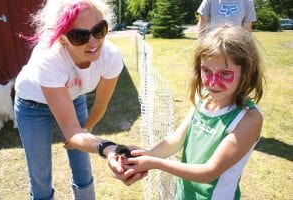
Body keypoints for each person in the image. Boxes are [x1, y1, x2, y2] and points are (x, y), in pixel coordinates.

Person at [115, 25, 265, 200]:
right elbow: (176, 140)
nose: (212, 82)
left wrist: (153, 163)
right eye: (206, 70)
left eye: (225, 73)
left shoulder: (248, 118)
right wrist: (145, 154)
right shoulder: (204, 100)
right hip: (183, 195)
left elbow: (209, 172)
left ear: (246, 72)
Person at [14, 0, 138, 199]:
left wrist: (88, 132)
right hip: (32, 105)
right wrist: (104, 146)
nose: (93, 42)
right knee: (40, 171)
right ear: (63, 39)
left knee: (82, 162)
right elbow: (71, 130)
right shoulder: (48, 59)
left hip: (73, 97)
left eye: (99, 29)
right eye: (80, 36)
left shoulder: (111, 56)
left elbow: (100, 105)